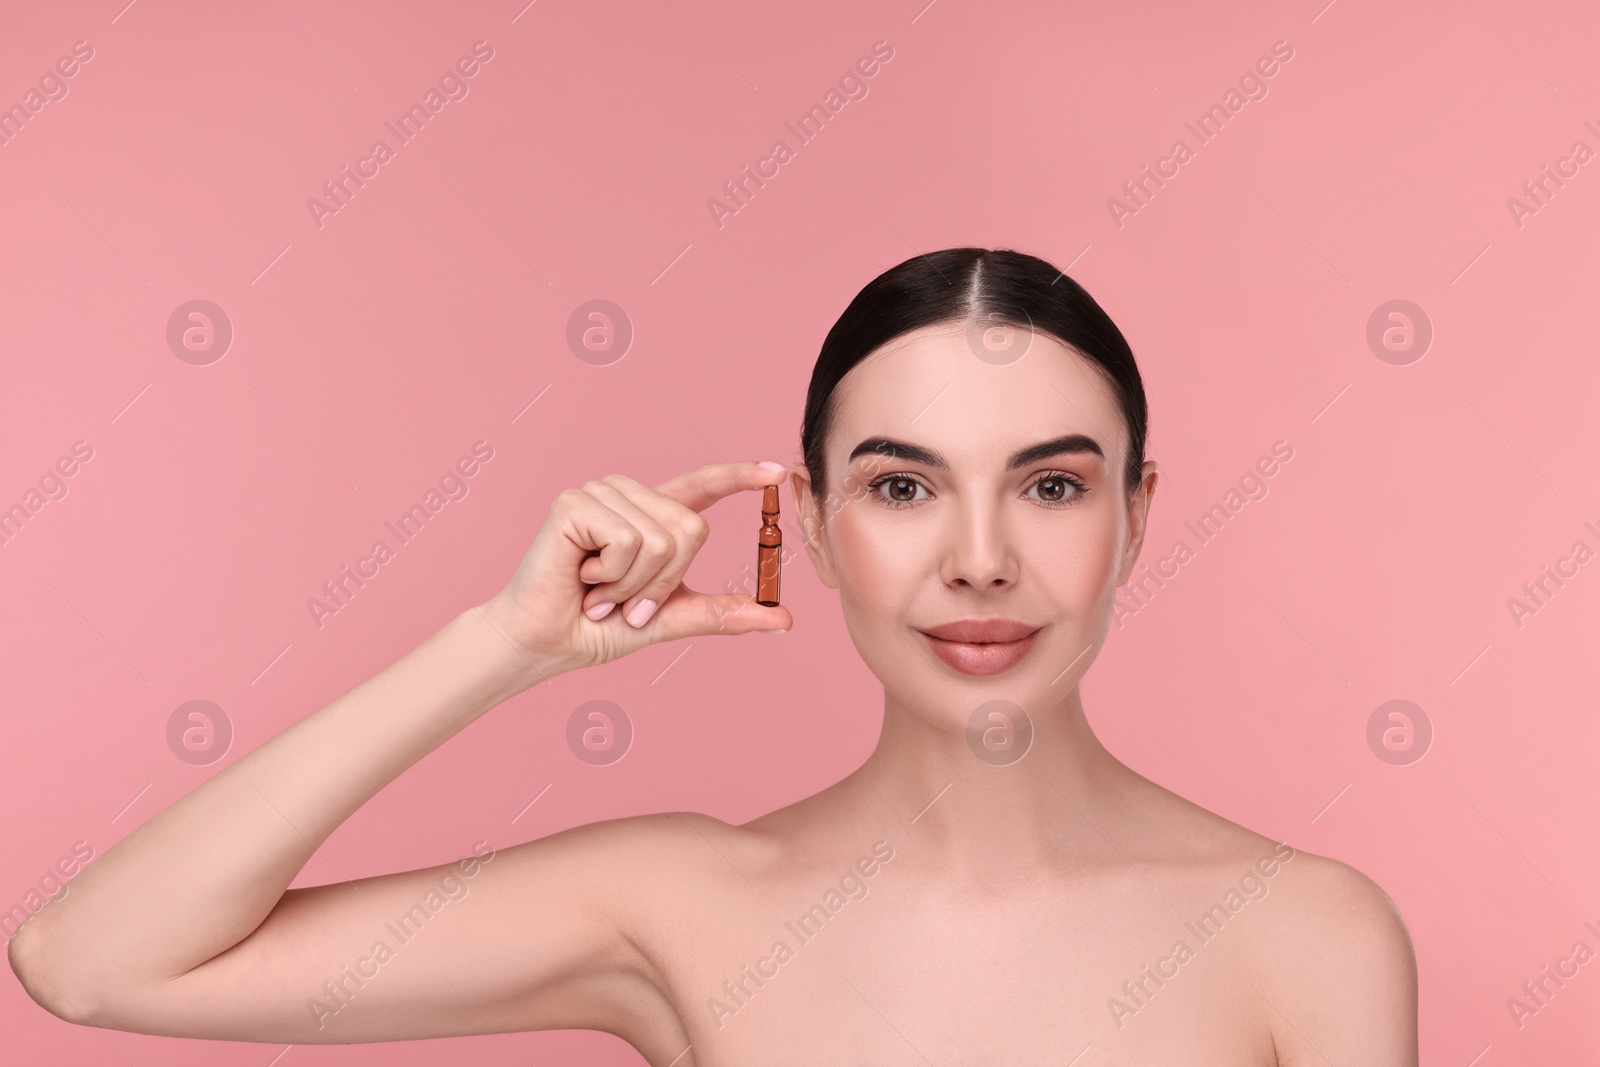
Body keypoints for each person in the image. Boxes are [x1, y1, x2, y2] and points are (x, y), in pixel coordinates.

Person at [9, 247, 1417, 1064]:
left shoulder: (1304, 933)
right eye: (902, 486)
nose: (979, 558)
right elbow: (92, 960)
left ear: (1137, 513)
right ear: (806, 523)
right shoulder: (678, 901)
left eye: (1051, 485)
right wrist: (502, 644)